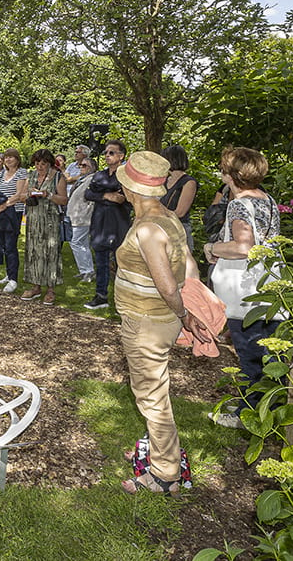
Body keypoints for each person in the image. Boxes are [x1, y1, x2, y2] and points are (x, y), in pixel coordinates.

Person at [114, 151, 213, 495]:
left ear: (129, 188)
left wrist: (186, 315)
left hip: (147, 324)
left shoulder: (148, 229)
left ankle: (165, 474)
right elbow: (189, 268)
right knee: (154, 392)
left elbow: (168, 285)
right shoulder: (168, 217)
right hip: (159, 320)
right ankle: (159, 451)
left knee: (152, 397)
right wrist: (191, 308)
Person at [203, 147, 282, 428]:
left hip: (245, 288)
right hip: (269, 282)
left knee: (248, 352)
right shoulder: (268, 200)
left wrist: (212, 247)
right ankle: (264, 404)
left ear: (231, 174)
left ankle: (247, 416)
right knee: (267, 349)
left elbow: (243, 246)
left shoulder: (238, 204)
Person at [84, 141, 131, 311]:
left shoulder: (126, 175)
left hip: (118, 223)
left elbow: (124, 197)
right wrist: (106, 195)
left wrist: (105, 195)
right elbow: (88, 193)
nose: (107, 155)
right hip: (100, 222)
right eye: (106, 152)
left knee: (122, 263)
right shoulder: (99, 175)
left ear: (121, 156)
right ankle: (101, 296)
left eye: (111, 153)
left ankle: (124, 300)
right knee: (101, 261)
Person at [21, 149, 68, 303]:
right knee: (34, 252)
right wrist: (29, 194)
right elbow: (22, 196)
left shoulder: (58, 177)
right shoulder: (31, 176)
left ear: (49, 163)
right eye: (37, 163)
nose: (39, 166)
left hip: (50, 220)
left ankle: (51, 289)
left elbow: (64, 200)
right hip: (34, 219)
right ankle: (35, 287)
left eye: (43, 164)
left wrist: (49, 195)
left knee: (50, 252)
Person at [0, 148, 29, 294]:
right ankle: (9, 273)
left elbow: (19, 194)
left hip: (13, 211)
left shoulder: (21, 173)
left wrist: (3, 205)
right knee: (2, 244)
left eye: (11, 157)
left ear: (17, 159)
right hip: (0, 211)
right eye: (6, 157)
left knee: (11, 244)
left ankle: (13, 279)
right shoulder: (1, 174)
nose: (8, 160)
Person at [160, 145, 197, 251]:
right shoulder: (164, 180)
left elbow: (180, 212)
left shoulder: (189, 182)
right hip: (161, 228)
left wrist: (155, 206)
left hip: (179, 229)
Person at [67, 157, 97, 282]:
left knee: (76, 242)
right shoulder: (82, 179)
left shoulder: (92, 179)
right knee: (82, 243)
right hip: (75, 215)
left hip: (83, 216)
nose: (81, 167)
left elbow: (92, 198)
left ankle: (87, 271)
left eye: (84, 165)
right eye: (80, 165)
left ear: (92, 167)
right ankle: (86, 270)